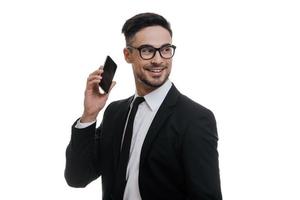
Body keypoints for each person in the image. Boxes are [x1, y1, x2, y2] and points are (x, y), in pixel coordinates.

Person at [65, 12, 222, 200]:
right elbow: (77, 177)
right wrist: (89, 115)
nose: (158, 60)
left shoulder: (195, 119)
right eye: (147, 50)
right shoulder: (115, 113)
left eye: (165, 49)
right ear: (128, 54)